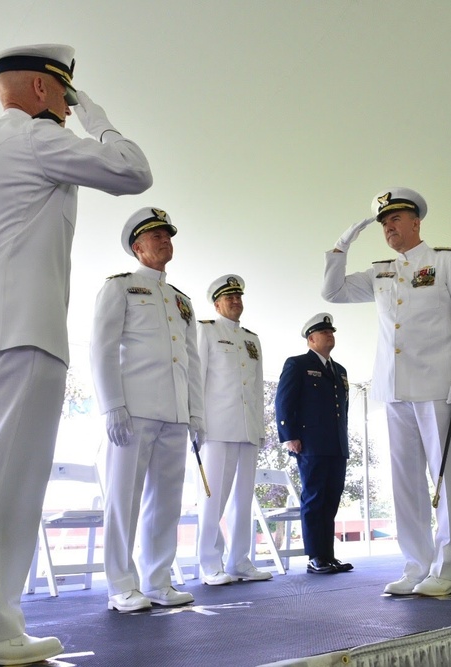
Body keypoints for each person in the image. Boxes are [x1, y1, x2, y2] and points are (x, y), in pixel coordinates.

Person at [0, 44, 152, 667]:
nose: (67, 102)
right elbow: (133, 171)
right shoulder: (33, 139)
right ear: (45, 90)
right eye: (65, 93)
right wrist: (97, 117)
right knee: (7, 484)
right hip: (24, 330)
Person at [321, 187, 451, 597]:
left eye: (395, 219)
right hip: (393, 388)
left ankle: (446, 571)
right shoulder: (381, 272)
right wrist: (342, 245)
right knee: (405, 483)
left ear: (416, 222)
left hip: (436, 385)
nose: (388, 227)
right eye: (382, 222)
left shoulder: (447, 261)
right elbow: (332, 292)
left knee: (444, 478)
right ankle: (416, 565)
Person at [90, 207, 205, 611]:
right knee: (124, 499)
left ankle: (157, 580)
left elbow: (191, 360)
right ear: (137, 248)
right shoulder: (121, 287)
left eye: (167, 235)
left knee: (167, 502)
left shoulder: (182, 301)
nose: (164, 240)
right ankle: (121, 584)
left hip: (174, 413)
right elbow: (101, 347)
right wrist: (112, 405)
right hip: (133, 410)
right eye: (154, 236)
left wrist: (196, 414)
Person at [195, 274, 272, 585]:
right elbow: (197, 378)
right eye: (229, 298)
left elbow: (256, 387)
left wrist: (260, 426)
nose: (236, 302)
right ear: (217, 303)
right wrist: (195, 419)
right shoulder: (206, 331)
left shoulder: (251, 340)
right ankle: (209, 562)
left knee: (244, 498)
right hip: (217, 426)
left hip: (247, 427)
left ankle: (239, 560)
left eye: (239, 297)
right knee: (213, 497)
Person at [275, 313, 353, 575]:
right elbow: (285, 401)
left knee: (331, 498)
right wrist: (289, 435)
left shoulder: (339, 370)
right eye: (324, 332)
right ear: (311, 339)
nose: (330, 335)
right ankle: (314, 556)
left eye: (332, 331)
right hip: (311, 443)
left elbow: (343, 407)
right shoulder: (298, 364)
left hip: (336, 444)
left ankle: (328, 555)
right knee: (314, 498)